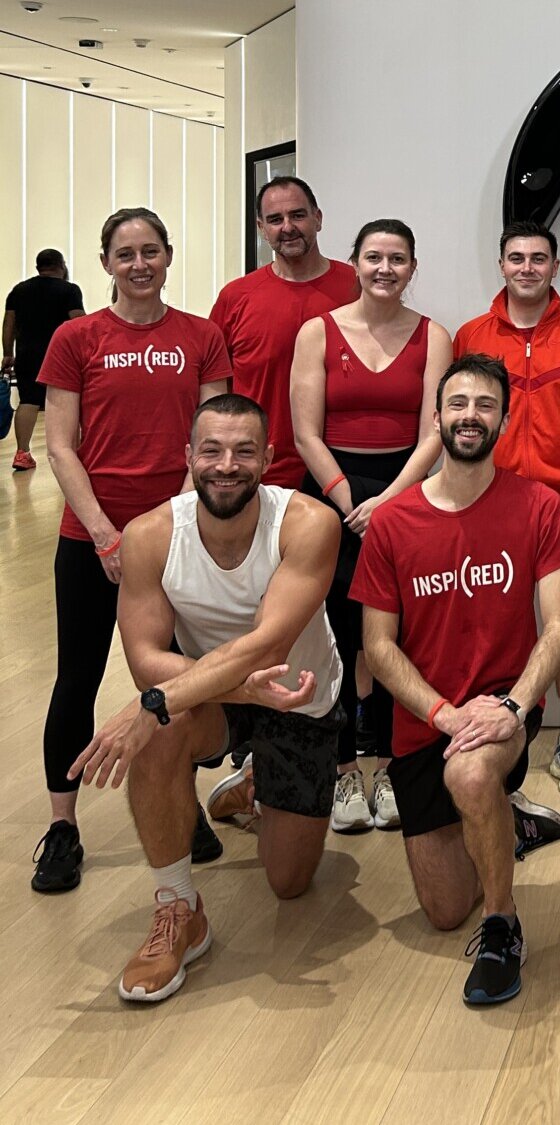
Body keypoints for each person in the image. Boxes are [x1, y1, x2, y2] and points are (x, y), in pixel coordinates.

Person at [68, 393, 345, 1002]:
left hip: (297, 697)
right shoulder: (150, 536)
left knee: (289, 884)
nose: (226, 465)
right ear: (188, 455)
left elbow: (267, 646)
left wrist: (154, 701)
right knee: (159, 726)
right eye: (212, 450)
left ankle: (253, 784)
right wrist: (170, 702)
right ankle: (179, 909)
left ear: (268, 458)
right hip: (219, 696)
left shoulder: (308, 523)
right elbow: (145, 660)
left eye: (244, 452)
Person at [351, 354, 560, 1005]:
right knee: (446, 909)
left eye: (485, 405)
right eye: (458, 404)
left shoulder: (539, 506)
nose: (471, 416)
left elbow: (559, 625)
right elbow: (378, 646)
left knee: (472, 774)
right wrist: (444, 715)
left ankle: (503, 926)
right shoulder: (392, 522)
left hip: (505, 704)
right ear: (437, 418)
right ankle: (507, 823)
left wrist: (513, 706)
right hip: (426, 719)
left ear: (503, 421)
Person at [29, 209, 231, 895]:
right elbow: (61, 446)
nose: (139, 264)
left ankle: (183, 804)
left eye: (150, 251)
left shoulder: (201, 336)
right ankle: (62, 826)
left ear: (168, 256)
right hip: (90, 539)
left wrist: (165, 530)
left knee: (181, 680)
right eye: (125, 254)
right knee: (77, 679)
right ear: (106, 263)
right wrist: (106, 535)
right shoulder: (75, 338)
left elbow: (210, 443)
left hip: (176, 537)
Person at [453, 220, 560, 798]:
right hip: (489, 501)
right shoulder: (472, 336)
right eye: (517, 258)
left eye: (538, 258)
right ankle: (492, 737)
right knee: (489, 625)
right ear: (501, 264)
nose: (527, 268)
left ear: (555, 266)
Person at [288, 218, 449, 833]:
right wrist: (347, 500)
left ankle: (387, 767)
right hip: (331, 496)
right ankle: (342, 771)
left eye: (398, 259)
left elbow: (433, 433)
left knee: (393, 638)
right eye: (374, 257)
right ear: (354, 263)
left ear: (413, 269)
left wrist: (389, 501)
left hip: (404, 495)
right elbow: (306, 432)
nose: (386, 269)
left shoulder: (434, 336)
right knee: (334, 636)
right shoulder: (318, 332)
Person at [210, 176, 359, 489]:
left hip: (344, 469)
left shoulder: (357, 287)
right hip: (261, 474)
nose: (287, 227)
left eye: (298, 215)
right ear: (261, 228)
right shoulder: (235, 298)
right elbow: (214, 395)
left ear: (318, 218)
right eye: (275, 220)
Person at [3, 248, 84, 471]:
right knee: (68, 402)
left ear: (38, 267)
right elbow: (78, 322)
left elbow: (8, 323)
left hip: (27, 354)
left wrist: (8, 353)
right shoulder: (69, 290)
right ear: (61, 265)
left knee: (28, 400)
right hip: (61, 355)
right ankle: (71, 452)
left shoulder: (19, 290)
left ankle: (22, 453)